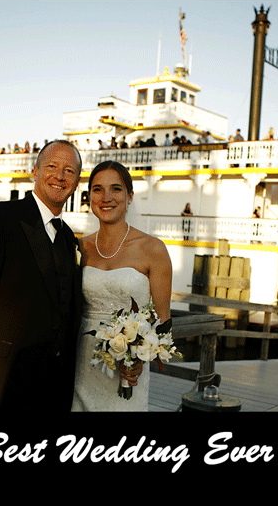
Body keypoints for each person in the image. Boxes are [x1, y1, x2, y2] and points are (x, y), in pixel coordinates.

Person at [0, 140, 83, 412]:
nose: (60, 176)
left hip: (53, 389)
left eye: (69, 171)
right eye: (52, 166)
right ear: (35, 171)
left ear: (77, 182)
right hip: (0, 383)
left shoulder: (68, 237)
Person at [71, 160, 172, 411]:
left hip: (128, 371)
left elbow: (164, 320)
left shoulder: (153, 249)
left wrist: (141, 358)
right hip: (81, 365)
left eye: (116, 189)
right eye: (97, 189)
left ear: (129, 197)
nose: (106, 197)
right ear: (89, 197)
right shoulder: (79, 247)